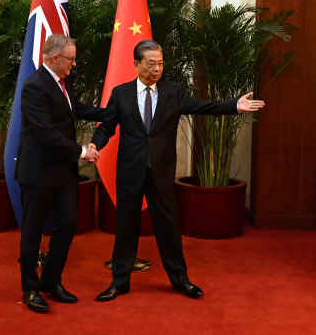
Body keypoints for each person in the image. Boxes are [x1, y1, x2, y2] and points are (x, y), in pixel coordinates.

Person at [91, 39, 265, 302]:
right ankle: (119, 281)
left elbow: (200, 107)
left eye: (161, 63)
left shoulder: (173, 92)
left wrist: (234, 105)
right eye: (151, 64)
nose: (157, 69)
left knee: (169, 228)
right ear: (136, 64)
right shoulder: (121, 93)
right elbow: (106, 126)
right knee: (126, 227)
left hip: (160, 173)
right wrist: (95, 144)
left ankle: (180, 280)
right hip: (130, 171)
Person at [15, 34, 105, 313]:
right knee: (33, 231)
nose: (75, 64)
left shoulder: (63, 83)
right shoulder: (34, 86)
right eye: (71, 59)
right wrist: (83, 152)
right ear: (55, 58)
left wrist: (112, 112)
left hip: (63, 172)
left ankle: (51, 280)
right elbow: (47, 134)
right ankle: (30, 287)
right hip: (38, 171)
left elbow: (75, 111)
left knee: (69, 222)